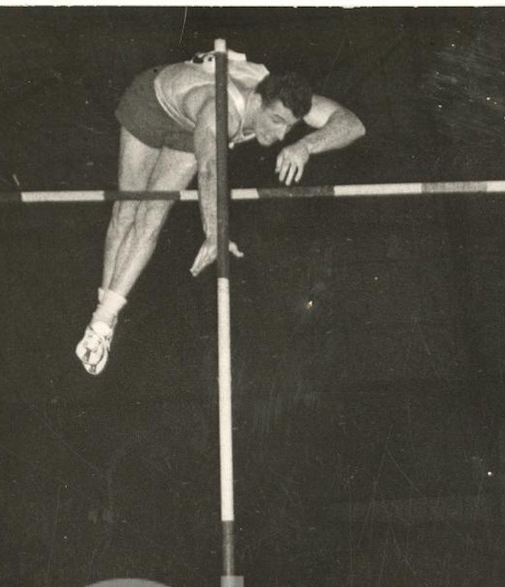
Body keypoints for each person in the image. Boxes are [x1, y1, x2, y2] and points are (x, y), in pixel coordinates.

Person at [76, 48, 365, 375]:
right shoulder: (223, 111)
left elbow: (352, 124)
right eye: (276, 121)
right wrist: (215, 233)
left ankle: (101, 324)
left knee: (152, 216)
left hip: (192, 127)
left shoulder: (281, 96)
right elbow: (211, 168)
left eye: (290, 128)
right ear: (257, 102)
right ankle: (104, 310)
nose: (280, 134)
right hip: (155, 102)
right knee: (127, 210)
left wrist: (306, 145)